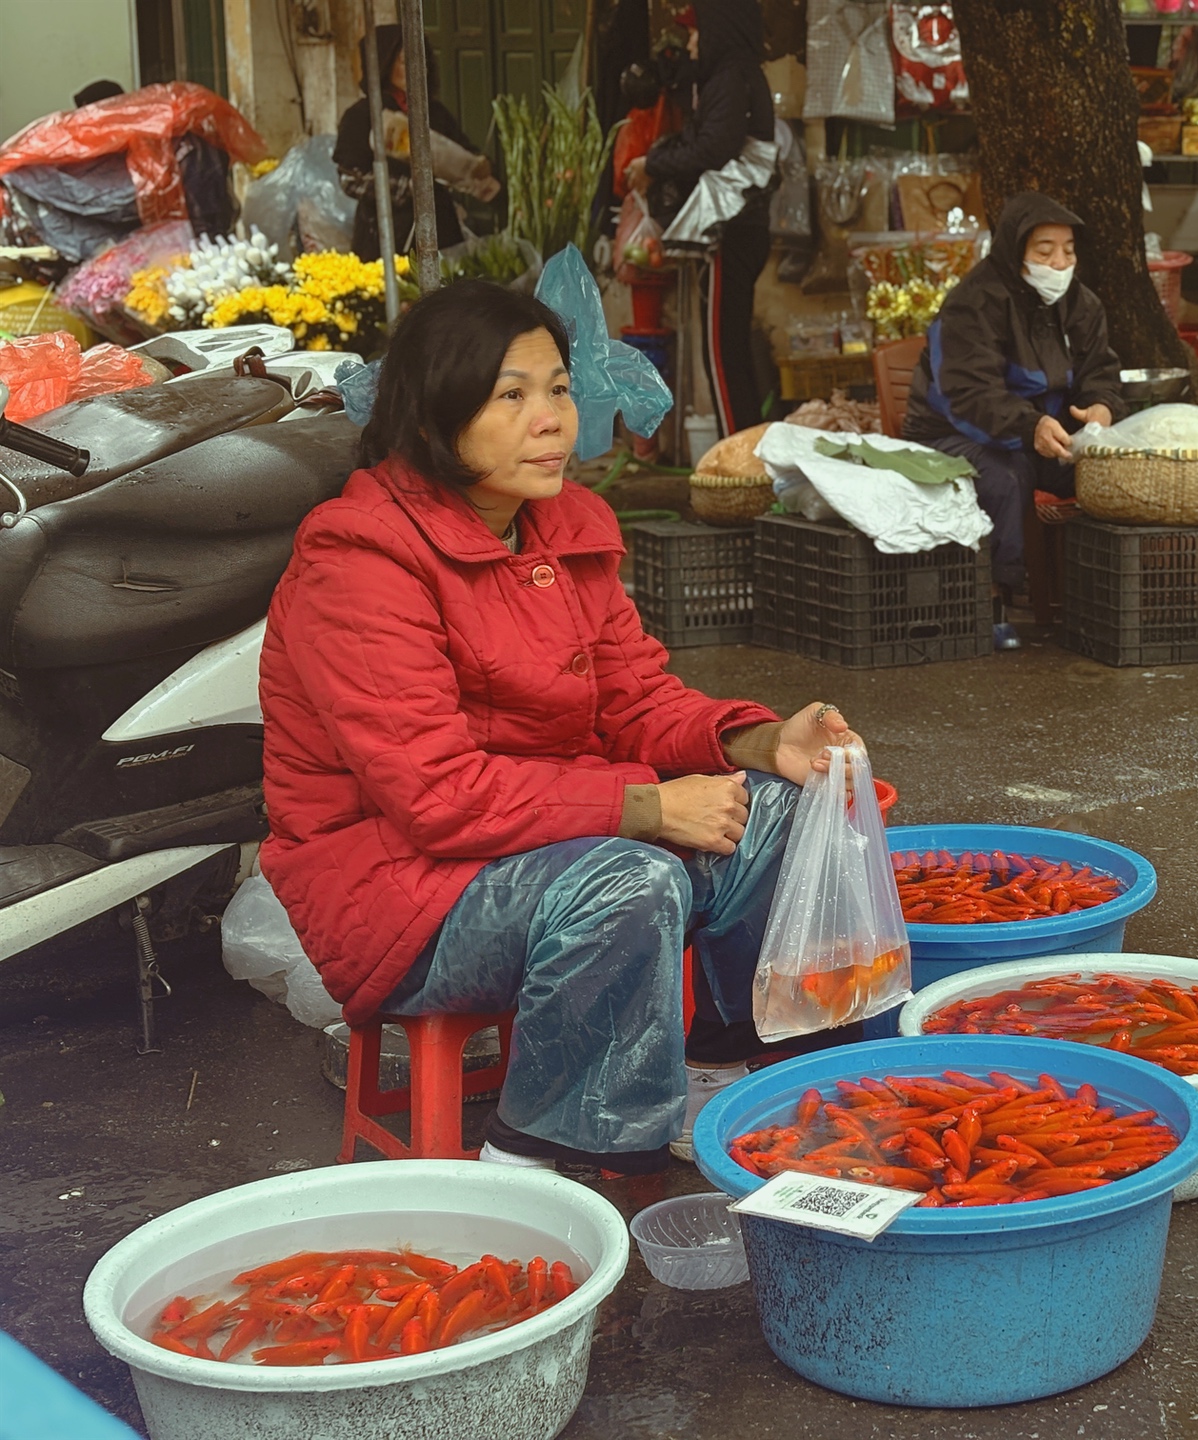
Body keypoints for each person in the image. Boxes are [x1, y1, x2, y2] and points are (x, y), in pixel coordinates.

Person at [258, 281, 867, 1181]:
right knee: (630, 875)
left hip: (546, 842)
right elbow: (437, 798)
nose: (549, 420)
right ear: (435, 412)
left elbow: (633, 702)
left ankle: (723, 1066)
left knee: (782, 807)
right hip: (405, 897)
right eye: (512, 395)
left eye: (558, 389)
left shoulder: (562, 531)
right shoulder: (357, 562)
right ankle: (538, 1151)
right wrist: (647, 807)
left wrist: (758, 740)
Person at [902, 192, 1126, 651]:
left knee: (1108, 470)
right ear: (1015, 250)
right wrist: (1030, 427)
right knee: (1006, 476)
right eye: (1044, 251)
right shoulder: (973, 303)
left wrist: (1101, 406)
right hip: (952, 431)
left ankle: (1099, 599)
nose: (1058, 262)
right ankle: (994, 599)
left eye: (1067, 250)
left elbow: (1099, 370)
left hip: (1040, 433)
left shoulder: (1081, 304)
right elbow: (968, 392)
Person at [628, 0, 772, 437]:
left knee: (722, 353)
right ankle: (745, 453)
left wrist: (653, 165)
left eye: (696, 33)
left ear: (717, 32)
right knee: (728, 349)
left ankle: (737, 457)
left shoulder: (730, 77)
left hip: (729, 229)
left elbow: (713, 148)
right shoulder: (734, 74)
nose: (691, 44)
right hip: (741, 227)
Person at [333, 25, 475, 262]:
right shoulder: (362, 116)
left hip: (440, 230)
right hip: (384, 233)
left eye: (422, 60)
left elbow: (464, 151)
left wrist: (477, 170)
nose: (417, 68)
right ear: (384, 65)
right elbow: (350, 179)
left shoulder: (435, 113)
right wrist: (409, 189)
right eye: (404, 61)